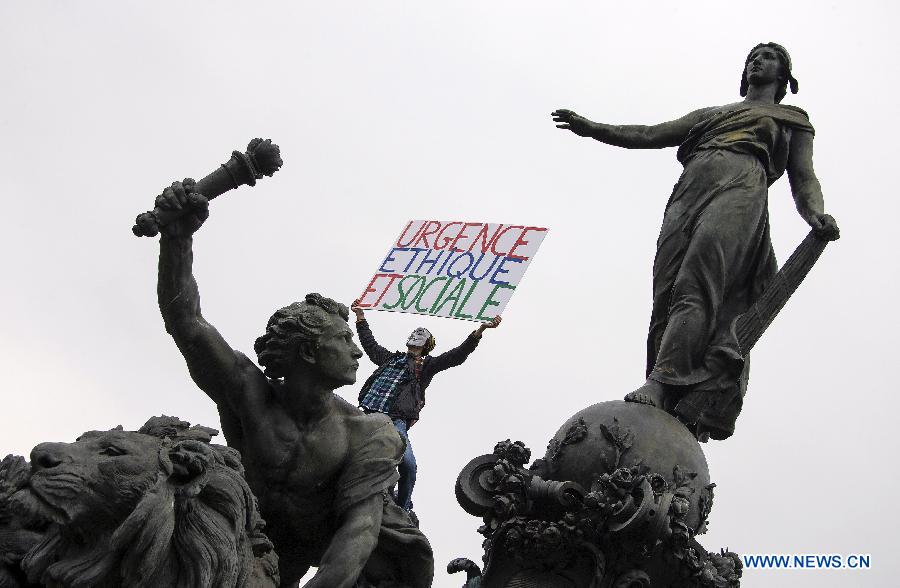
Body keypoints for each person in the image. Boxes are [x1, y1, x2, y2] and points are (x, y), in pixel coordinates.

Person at [552, 43, 839, 441]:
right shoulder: (713, 116)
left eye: (768, 56)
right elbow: (650, 134)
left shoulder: (791, 119)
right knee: (667, 294)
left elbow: (803, 177)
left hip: (742, 188)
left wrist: (815, 213)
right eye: (752, 56)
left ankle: (661, 382)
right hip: (689, 191)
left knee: (697, 281)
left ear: (784, 74)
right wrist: (593, 128)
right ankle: (671, 389)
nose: (757, 61)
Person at [154, 180, 433, 588]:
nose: (356, 353)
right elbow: (188, 324)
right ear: (308, 352)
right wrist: (176, 241)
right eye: (344, 341)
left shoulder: (368, 433)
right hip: (237, 547)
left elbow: (357, 536)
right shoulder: (249, 393)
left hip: (319, 562)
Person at [351, 299, 501, 511]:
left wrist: (480, 330)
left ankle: (402, 510)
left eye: (421, 334)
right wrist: (360, 316)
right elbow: (370, 344)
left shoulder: (427, 366)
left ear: (426, 344)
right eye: (414, 333)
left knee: (408, 466)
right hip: (367, 413)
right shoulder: (389, 359)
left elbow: (456, 356)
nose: (415, 335)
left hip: (395, 421)